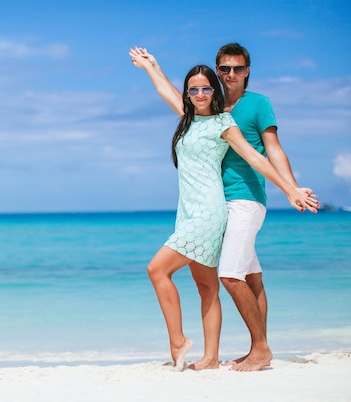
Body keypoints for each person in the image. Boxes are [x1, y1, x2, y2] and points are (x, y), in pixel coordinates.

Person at [129, 44, 319, 372]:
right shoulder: (190, 117)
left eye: (206, 88)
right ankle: (214, 358)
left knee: (176, 272)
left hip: (222, 206)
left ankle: (197, 343)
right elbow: (167, 91)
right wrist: (152, 66)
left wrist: (290, 188)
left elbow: (261, 153)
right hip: (196, 209)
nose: (201, 92)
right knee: (220, 283)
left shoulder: (230, 118)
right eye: (194, 88)